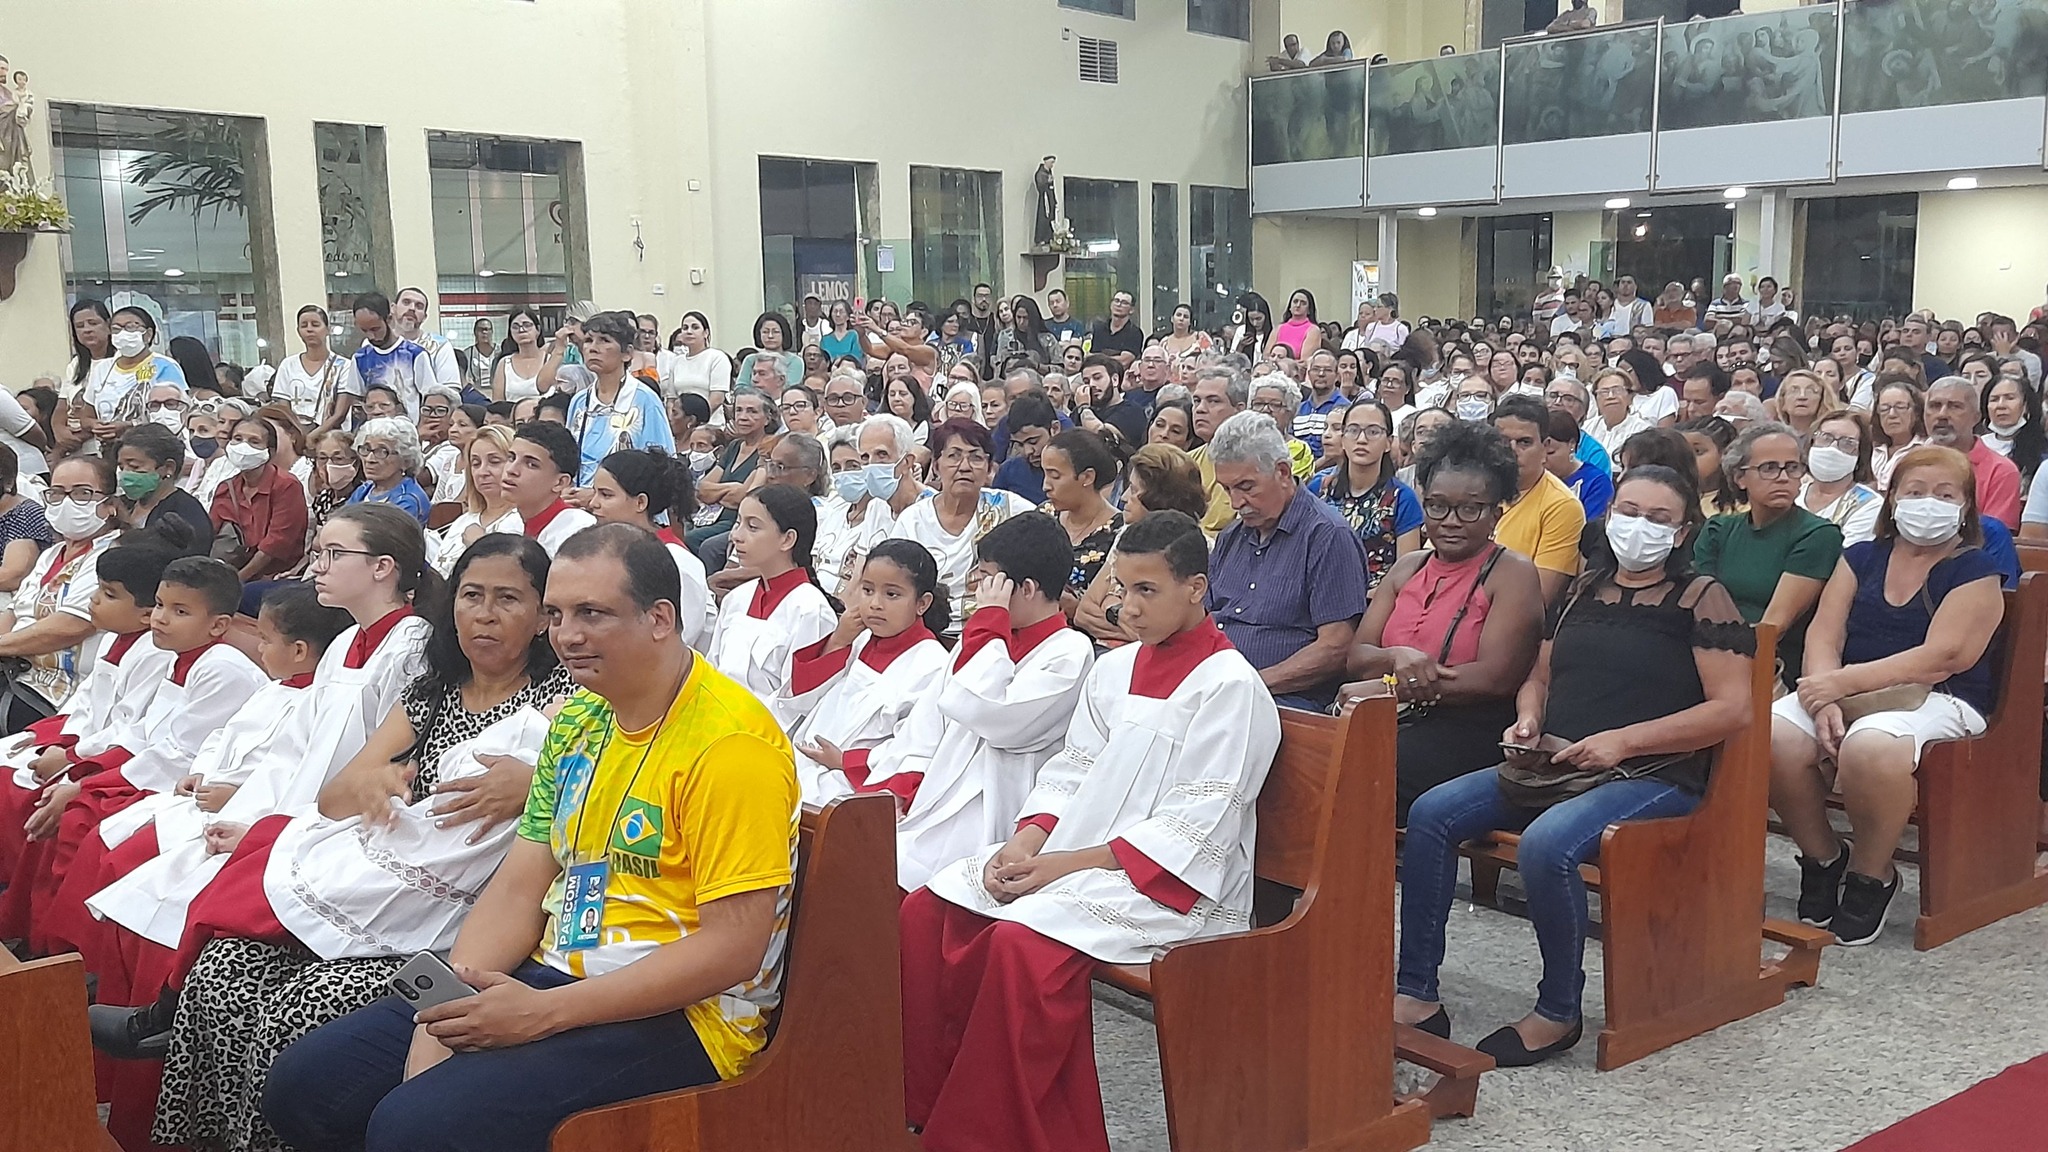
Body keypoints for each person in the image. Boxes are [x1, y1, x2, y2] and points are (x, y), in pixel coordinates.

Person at [258, 523, 796, 1152]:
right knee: (306, 1087)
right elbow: (519, 886)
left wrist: (543, 1014)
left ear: (660, 618)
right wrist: (454, 998)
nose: (567, 636)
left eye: (592, 614)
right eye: (558, 614)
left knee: (419, 1127)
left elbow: (732, 948)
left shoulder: (730, 744)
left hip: (684, 1012)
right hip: (551, 970)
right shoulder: (578, 722)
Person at [111, 539, 560, 1151]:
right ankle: (210, 1138)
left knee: (295, 1009)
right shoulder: (434, 691)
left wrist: (539, 781)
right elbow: (334, 796)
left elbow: (580, 796)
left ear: (542, 616)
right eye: (471, 595)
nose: (484, 614)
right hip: (375, 878)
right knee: (226, 968)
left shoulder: (561, 705)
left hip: (456, 912)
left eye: (508, 599)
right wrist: (371, 781)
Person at [900, 510, 1278, 1152]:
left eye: (1146, 591)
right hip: (1077, 859)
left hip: (1168, 885)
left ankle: (1002, 1135)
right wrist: (1025, 843)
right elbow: (1070, 772)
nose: (1126, 608)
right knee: (929, 910)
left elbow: (1196, 826)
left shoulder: (1230, 687)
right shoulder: (1114, 668)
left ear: (1196, 587)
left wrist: (1058, 867)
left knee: (1019, 947)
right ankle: (926, 1108)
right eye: (1119, 588)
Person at [1395, 465, 1754, 1065]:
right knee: (1432, 812)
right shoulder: (1587, 587)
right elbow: (1539, 672)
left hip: (1652, 774)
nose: (1639, 527)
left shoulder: (1699, 598)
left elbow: (1732, 710)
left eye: (1658, 519)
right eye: (1629, 512)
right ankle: (1417, 993)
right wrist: (1528, 718)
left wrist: (1624, 742)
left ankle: (1558, 1010)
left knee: (1546, 845)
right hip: (1557, 758)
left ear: (1685, 528)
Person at [1769, 446, 2005, 946]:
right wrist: (1822, 698)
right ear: (1892, 499)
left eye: (1945, 494)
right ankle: (1823, 857)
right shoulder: (1860, 557)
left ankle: (1872, 875)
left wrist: (1841, 685)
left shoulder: (1975, 570)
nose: (1928, 503)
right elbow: (1824, 635)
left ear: (1966, 508)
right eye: (1914, 492)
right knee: (1773, 733)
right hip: (1849, 687)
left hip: (1943, 696)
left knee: (1871, 746)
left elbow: (1944, 657)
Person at [15, 557, 267, 964]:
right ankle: (41, 941)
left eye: (179, 611)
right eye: (162, 606)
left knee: (81, 820)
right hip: (150, 772)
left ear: (218, 625)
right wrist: (80, 769)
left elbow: (177, 754)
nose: (161, 619)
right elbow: (142, 729)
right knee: (66, 806)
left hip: (183, 785)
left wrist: (85, 783)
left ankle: (69, 957)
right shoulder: (179, 654)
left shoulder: (221, 669)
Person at [1338, 419, 1544, 822]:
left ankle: (1355, 881)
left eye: (1469, 509)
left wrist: (1394, 685)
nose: (1451, 520)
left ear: (1496, 513)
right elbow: (1358, 655)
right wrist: (1396, 657)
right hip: (1393, 715)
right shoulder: (1409, 567)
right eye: (1437, 505)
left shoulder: (1512, 572)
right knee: (1307, 754)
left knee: (1360, 770)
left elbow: (1494, 678)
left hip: (1468, 727)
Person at [879, 513, 1093, 888]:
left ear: (1026, 588)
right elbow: (930, 720)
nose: (980, 590)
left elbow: (995, 716)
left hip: (995, 810)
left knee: (918, 881)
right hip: (935, 794)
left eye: (989, 578)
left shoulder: (1070, 652)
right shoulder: (984, 638)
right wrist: (904, 782)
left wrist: (991, 623)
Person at [1207, 411, 1368, 712]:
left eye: (1246, 486)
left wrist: (1251, 685)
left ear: (1282, 472)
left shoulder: (1326, 536)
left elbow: (1336, 647)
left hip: (1286, 702)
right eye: (1226, 489)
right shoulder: (1232, 537)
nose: (1235, 502)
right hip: (1220, 690)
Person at [782, 538, 952, 803]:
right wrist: (838, 641)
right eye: (868, 590)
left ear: (922, 603)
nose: (875, 604)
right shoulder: (858, 639)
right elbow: (802, 698)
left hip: (856, 785)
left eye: (892, 594)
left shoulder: (933, 666)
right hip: (805, 763)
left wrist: (846, 761)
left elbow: (916, 747)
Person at [703, 485, 836, 725]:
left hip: (763, 737)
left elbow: (796, 702)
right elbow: (712, 669)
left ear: (787, 539)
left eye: (752, 527)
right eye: (738, 523)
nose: (736, 536)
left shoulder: (811, 610)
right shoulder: (737, 598)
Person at [889, 419, 1034, 633]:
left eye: (976, 457)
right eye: (954, 456)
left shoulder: (1010, 508)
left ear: (989, 468)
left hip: (994, 632)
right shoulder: (913, 520)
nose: (964, 466)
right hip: (926, 634)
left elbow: (1048, 539)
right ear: (936, 466)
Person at [586, 448, 714, 650]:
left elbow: (680, 640)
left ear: (640, 502)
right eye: (594, 493)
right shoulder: (611, 549)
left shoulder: (677, 561)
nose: (593, 503)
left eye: (606, 495)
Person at [1307, 398, 1422, 594]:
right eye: (1353, 430)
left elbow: (1406, 573)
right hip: (1317, 593)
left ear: (1388, 443)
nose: (1361, 439)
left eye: (1373, 432)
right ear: (1343, 439)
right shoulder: (1319, 489)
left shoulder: (1402, 498)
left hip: (1375, 602)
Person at [1491, 396, 1587, 603]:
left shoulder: (1562, 506)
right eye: (1503, 442)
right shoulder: (1473, 488)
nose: (1512, 451)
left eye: (1524, 442)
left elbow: (1538, 599)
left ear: (1545, 447)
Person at [564, 312, 675, 484]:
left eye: (604, 340)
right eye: (588, 340)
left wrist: (596, 494)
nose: (593, 348)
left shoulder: (645, 401)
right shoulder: (579, 402)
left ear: (627, 353)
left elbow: (662, 467)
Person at [211, 416, 310, 581]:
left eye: (254, 441)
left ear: (269, 451)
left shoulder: (286, 486)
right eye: (237, 439)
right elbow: (211, 533)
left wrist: (237, 581)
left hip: (276, 577)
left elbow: (274, 545)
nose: (243, 446)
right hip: (230, 572)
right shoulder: (226, 488)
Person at [1040, 429, 1124, 612]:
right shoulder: (1044, 514)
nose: (1045, 486)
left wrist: (1077, 608)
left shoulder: (1119, 532)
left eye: (1055, 476)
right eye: (1044, 474)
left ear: (1087, 477)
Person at [81, 306, 189, 447]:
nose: (123, 333)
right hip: (108, 449)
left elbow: (179, 412)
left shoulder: (165, 366)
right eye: (116, 329)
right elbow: (85, 416)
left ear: (148, 334)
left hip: (153, 448)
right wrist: (96, 425)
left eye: (131, 327)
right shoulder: (102, 368)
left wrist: (128, 425)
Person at [1925, 376, 2020, 528]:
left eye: (1955, 406)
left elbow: (1994, 537)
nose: (1942, 414)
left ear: (1976, 417)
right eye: (1934, 406)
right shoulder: (1907, 463)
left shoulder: (2001, 471)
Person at [430, 424, 523, 575]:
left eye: (494, 461)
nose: (482, 472)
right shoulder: (463, 521)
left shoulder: (521, 521)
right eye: (476, 463)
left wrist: (479, 545)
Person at [691, 388, 778, 549]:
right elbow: (702, 489)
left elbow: (745, 496)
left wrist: (718, 492)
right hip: (710, 517)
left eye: (752, 411)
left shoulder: (769, 447)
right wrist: (732, 488)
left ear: (767, 418)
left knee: (696, 541)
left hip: (738, 521)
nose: (743, 417)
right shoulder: (734, 446)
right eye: (739, 410)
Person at [501, 421, 598, 556]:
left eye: (531, 464)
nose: (511, 470)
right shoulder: (508, 525)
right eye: (511, 458)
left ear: (560, 482)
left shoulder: (580, 533)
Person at [273, 304, 364, 433]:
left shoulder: (344, 366)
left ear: (327, 329)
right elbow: (283, 409)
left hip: (333, 437)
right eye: (304, 325)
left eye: (315, 324)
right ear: (298, 330)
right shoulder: (288, 365)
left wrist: (314, 435)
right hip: (296, 436)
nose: (309, 329)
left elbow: (340, 413)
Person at [1799, 412, 1883, 546]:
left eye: (1847, 443)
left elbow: (1845, 555)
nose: (1832, 449)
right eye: (1825, 438)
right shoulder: (1793, 493)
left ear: (1860, 454)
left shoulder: (1869, 504)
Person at [350, 292, 434, 419]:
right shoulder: (359, 358)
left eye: (375, 329)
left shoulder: (415, 354)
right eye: (364, 330)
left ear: (389, 319)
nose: (371, 336)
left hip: (409, 431)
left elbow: (430, 397)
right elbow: (357, 400)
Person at [345, 417, 431, 525]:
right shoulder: (365, 489)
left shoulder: (408, 499)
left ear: (406, 461)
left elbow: (382, 539)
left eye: (382, 451)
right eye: (366, 449)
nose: (369, 459)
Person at [1544, 408, 1612, 520]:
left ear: (1571, 444)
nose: (1543, 459)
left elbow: (1590, 528)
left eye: (1550, 453)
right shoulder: (1532, 476)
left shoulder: (1596, 482)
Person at [992, 394, 1059, 506]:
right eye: (1019, 444)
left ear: (1055, 429)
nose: (1028, 451)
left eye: (1033, 441)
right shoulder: (1008, 472)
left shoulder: (1078, 466)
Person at [664, 311, 734, 409]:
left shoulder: (717, 357)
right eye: (685, 328)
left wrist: (698, 419)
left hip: (711, 422)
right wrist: (674, 419)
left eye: (695, 327)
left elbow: (717, 398)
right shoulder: (676, 362)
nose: (689, 331)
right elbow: (671, 399)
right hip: (680, 422)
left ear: (706, 333)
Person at [1087, 290, 1146, 366]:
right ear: (1111, 305)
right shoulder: (1098, 329)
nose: (1119, 304)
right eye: (1116, 301)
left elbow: (1124, 361)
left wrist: (1100, 358)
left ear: (1131, 310)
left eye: (1124, 303)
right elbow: (1090, 357)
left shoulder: (1135, 333)